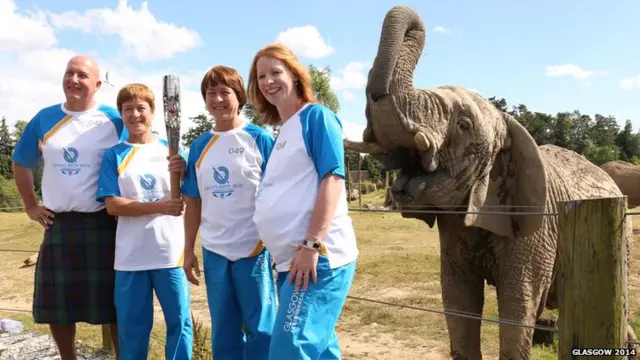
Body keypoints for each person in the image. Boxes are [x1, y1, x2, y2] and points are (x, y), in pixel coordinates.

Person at [247, 43, 359, 359]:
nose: (268, 82)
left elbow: (333, 179)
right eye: (261, 77)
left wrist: (312, 245)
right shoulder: (283, 132)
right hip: (289, 263)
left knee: (290, 348)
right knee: (321, 351)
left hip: (317, 258)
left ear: (295, 75)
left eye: (275, 73)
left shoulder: (316, 117)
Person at [11, 55, 125, 360]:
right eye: (69, 73)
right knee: (57, 304)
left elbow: (136, 155)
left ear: (98, 84)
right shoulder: (44, 118)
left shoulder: (115, 120)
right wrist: (30, 205)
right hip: (59, 223)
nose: (73, 80)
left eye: (82, 76)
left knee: (114, 302)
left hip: (104, 223)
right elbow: (21, 162)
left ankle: (121, 357)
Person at [181, 65, 278, 359]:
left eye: (225, 92)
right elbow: (194, 203)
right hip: (215, 249)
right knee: (224, 327)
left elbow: (278, 195)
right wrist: (188, 250)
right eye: (212, 93)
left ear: (239, 96)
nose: (218, 100)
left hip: (255, 247)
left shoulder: (259, 139)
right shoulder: (199, 146)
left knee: (261, 328)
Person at [95, 83, 193, 360]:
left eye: (141, 108)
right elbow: (113, 205)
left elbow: (193, 193)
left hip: (169, 255)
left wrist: (184, 171)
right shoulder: (114, 155)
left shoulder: (172, 152)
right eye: (128, 109)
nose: (135, 115)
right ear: (121, 114)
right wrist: (160, 206)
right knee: (133, 328)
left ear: (152, 112)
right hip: (131, 258)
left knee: (180, 324)